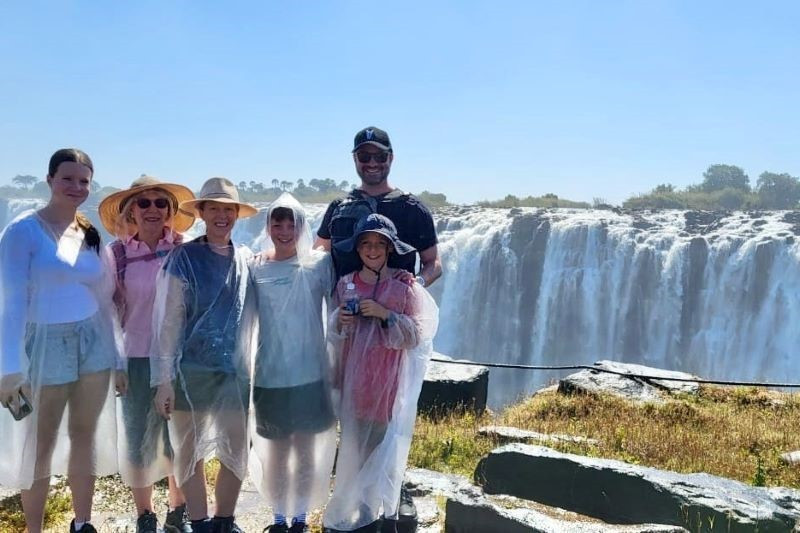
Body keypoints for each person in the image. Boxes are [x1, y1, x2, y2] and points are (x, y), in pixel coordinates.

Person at [0, 148, 121, 533]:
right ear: (49, 179)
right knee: (40, 441)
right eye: (67, 178)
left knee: (83, 436)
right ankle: (34, 529)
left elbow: (104, 299)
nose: (76, 187)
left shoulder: (87, 231)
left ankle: (82, 522)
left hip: (93, 340)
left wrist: (116, 356)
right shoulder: (23, 230)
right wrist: (7, 368)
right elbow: (10, 301)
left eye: (84, 181)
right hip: (46, 342)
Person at [151, 177, 257, 533]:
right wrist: (163, 381)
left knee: (236, 448)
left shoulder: (245, 259)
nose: (222, 215)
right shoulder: (184, 258)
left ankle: (224, 520)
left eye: (228, 209)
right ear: (202, 213)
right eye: (214, 208)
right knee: (189, 451)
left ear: (237, 215)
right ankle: (199, 522)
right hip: (189, 372)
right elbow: (168, 323)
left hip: (233, 372)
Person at [323, 214, 438, 533]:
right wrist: (340, 321)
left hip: (387, 386)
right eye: (366, 244)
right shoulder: (345, 284)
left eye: (379, 244)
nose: (372, 249)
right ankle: (356, 511)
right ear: (358, 249)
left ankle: (374, 516)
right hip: (352, 384)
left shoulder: (404, 286)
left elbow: (417, 335)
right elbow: (332, 331)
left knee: (380, 451)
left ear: (389, 249)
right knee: (353, 449)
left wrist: (386, 315)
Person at [98, 176, 196, 533]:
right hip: (136, 357)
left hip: (181, 358)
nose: (152, 209)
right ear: (130, 211)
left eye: (160, 203)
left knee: (179, 437)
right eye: (144, 203)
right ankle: (144, 514)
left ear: (171, 212)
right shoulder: (117, 255)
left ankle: (178, 509)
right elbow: (108, 311)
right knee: (139, 436)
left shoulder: (185, 250)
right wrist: (116, 362)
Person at [247, 193, 337, 533]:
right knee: (277, 453)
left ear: (302, 225)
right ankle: (279, 517)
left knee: (304, 452)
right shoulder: (256, 266)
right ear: (268, 226)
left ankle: (299, 516)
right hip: (270, 375)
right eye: (277, 223)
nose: (285, 230)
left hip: (311, 374)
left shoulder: (319, 264)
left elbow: (339, 311)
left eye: (292, 223)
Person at [314, 126, 442, 289]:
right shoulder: (338, 208)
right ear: (355, 159)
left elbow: (434, 263)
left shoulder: (413, 209)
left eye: (380, 156)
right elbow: (319, 254)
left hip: (397, 312)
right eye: (364, 156)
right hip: (345, 311)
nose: (372, 163)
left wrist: (416, 285)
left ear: (391, 158)